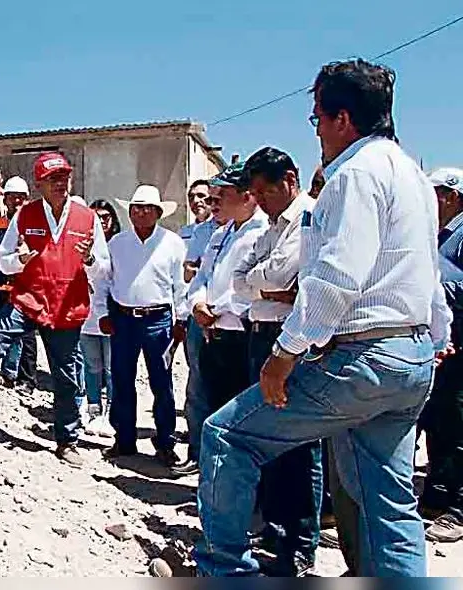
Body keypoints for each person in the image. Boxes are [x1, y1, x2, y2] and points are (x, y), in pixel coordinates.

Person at [194, 58, 453, 577]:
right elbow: (425, 269)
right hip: (412, 354)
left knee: (227, 435)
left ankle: (224, 573)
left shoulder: (353, 175)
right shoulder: (412, 174)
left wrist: (283, 355)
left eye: (316, 119)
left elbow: (336, 277)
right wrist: (438, 334)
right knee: (389, 500)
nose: (316, 133)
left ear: (341, 119)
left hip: (363, 355)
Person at [0, 151, 111, 468]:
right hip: (29, 300)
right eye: (53, 178)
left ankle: (67, 441)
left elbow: (104, 270)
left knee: (67, 375)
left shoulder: (87, 218)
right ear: (39, 183)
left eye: (64, 177)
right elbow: (3, 260)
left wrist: (90, 260)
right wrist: (21, 260)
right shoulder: (25, 216)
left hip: (67, 308)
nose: (61, 183)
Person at [233, 147, 320, 576]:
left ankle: (301, 543)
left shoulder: (307, 220)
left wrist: (262, 284)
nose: (260, 200)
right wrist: (266, 286)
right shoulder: (269, 228)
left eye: (265, 190)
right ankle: (275, 527)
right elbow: (242, 282)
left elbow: (278, 273)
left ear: (289, 179)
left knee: (298, 446)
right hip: (261, 333)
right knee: (267, 440)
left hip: (291, 340)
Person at [96, 186, 188, 466]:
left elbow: (180, 285)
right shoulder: (117, 243)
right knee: (121, 381)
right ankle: (124, 440)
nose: (141, 212)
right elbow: (104, 281)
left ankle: (165, 442)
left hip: (158, 320)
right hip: (123, 319)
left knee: (161, 382)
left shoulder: (173, 243)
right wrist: (102, 312)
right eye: (136, 207)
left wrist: (181, 319)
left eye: (148, 207)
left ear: (158, 212)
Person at [186, 162, 268, 422]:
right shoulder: (220, 234)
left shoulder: (265, 232)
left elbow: (255, 288)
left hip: (244, 337)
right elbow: (201, 277)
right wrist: (198, 304)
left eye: (223, 195)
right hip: (213, 334)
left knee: (240, 414)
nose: (215, 202)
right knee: (213, 404)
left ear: (247, 196)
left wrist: (218, 311)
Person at [420, 167, 463, 543]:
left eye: (433, 194)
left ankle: (459, 508)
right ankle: (436, 496)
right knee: (440, 422)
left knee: (458, 425)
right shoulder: (439, 236)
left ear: (451, 196)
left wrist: (438, 280)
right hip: (445, 343)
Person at [174, 178, 224, 476]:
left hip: (232, 321)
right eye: (193, 196)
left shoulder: (246, 229)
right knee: (197, 386)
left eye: (205, 197)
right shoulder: (196, 233)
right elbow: (188, 273)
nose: (200, 202)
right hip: (197, 316)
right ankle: (196, 452)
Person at [0, 176, 38, 393]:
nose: (16, 202)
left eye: (21, 198)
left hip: (24, 291)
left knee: (26, 336)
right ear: (5, 200)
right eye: (12, 197)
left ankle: (26, 379)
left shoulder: (34, 226)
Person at [80, 198, 122, 436]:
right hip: (86, 315)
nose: (100, 222)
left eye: (105, 217)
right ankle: (93, 410)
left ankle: (111, 414)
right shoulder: (83, 244)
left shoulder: (118, 244)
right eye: (95, 217)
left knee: (111, 367)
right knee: (91, 366)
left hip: (112, 314)